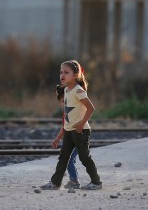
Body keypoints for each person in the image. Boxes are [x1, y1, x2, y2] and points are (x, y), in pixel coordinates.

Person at [41, 59, 103, 190]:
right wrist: (59, 137)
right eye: (61, 72)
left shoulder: (78, 91)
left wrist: (81, 124)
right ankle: (55, 183)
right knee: (63, 157)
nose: (62, 75)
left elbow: (91, 108)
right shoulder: (66, 91)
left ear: (75, 75)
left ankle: (96, 182)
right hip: (69, 131)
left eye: (66, 72)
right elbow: (67, 115)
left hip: (80, 131)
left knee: (84, 157)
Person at [51, 84, 81, 189]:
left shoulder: (75, 110)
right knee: (69, 159)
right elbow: (64, 127)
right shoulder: (66, 112)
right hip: (71, 140)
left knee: (68, 159)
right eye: (63, 102)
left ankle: (75, 181)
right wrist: (57, 138)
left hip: (78, 139)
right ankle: (74, 180)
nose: (65, 103)